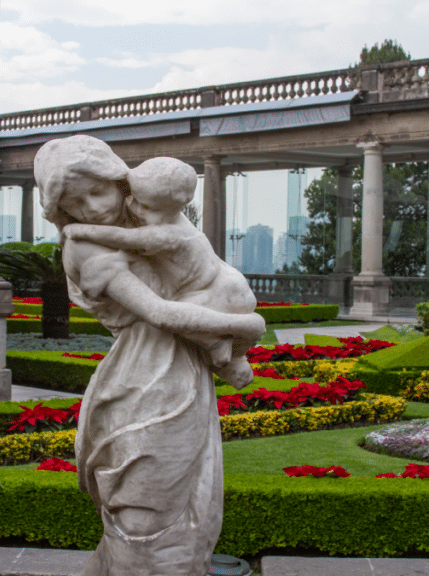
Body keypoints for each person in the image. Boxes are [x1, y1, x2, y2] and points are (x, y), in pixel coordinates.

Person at [34, 135, 265, 576]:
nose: (94, 209)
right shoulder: (87, 246)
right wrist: (245, 326)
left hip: (182, 372)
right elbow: (159, 313)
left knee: (184, 517)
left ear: (120, 180)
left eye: (98, 190)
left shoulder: (153, 221)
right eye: (76, 203)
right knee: (147, 521)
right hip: (147, 376)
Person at [63, 156, 260, 389]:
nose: (133, 207)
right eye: (133, 200)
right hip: (221, 288)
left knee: (189, 319)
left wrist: (79, 229)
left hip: (212, 291)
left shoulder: (168, 233)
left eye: (143, 206)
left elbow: (125, 239)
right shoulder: (168, 215)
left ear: (166, 210)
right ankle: (228, 356)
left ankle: (217, 345)